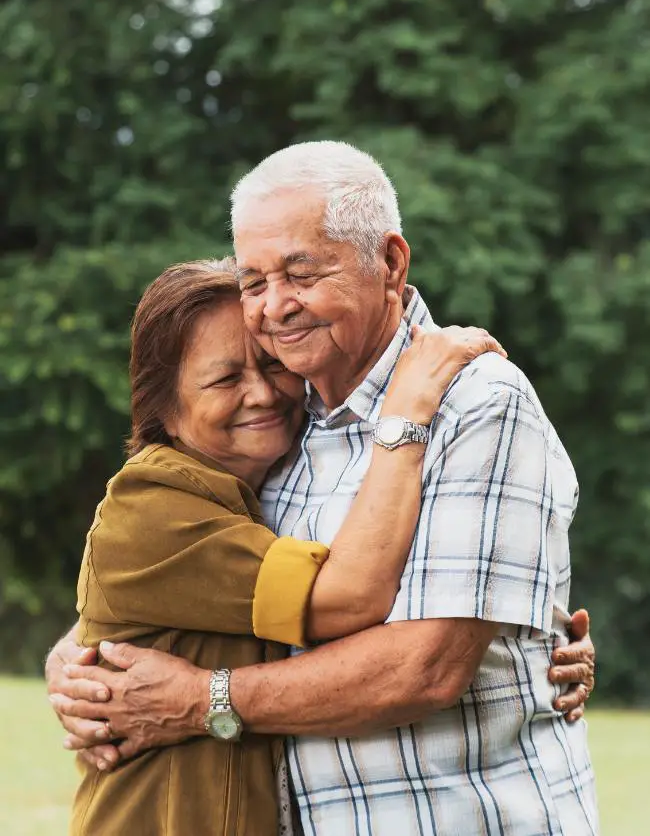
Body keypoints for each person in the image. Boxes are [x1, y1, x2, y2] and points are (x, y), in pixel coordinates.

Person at [48, 141, 598, 836]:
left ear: (390, 262)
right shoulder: (282, 424)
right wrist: (80, 660)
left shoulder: (475, 402)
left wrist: (200, 700)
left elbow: (422, 668)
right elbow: (199, 587)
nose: (276, 307)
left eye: (302, 273)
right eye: (255, 282)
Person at [63, 255, 504, 835]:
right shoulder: (153, 505)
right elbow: (348, 597)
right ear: (163, 407)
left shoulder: (254, 488)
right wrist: (405, 411)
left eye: (273, 366)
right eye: (225, 379)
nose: (263, 394)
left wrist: (539, 644)